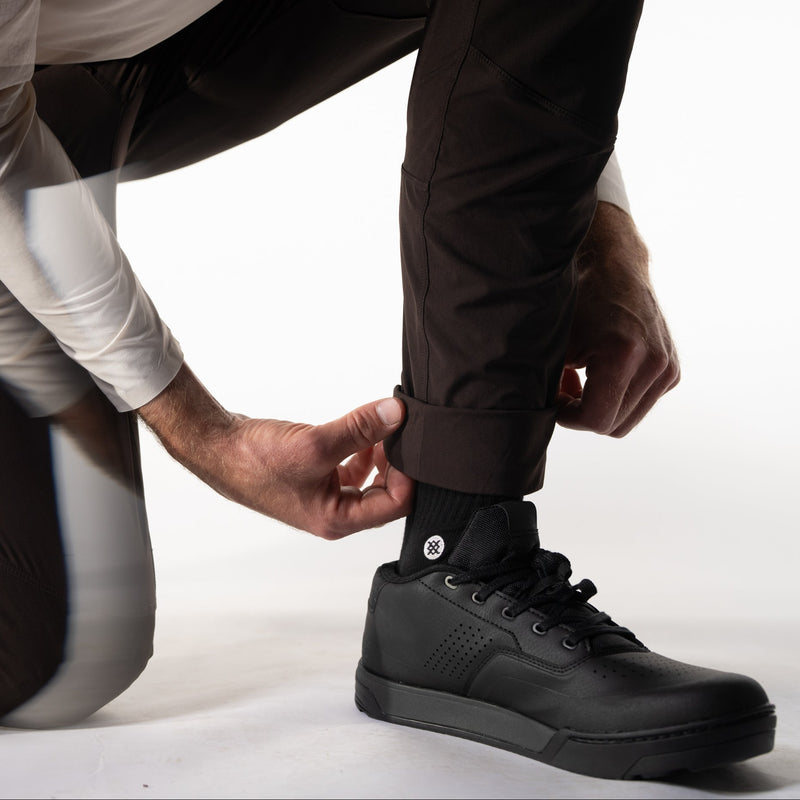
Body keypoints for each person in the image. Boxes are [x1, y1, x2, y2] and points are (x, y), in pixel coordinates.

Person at [0, 0, 775, 780]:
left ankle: (458, 561)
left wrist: (604, 234)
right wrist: (202, 430)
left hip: (137, 50)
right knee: (54, 653)